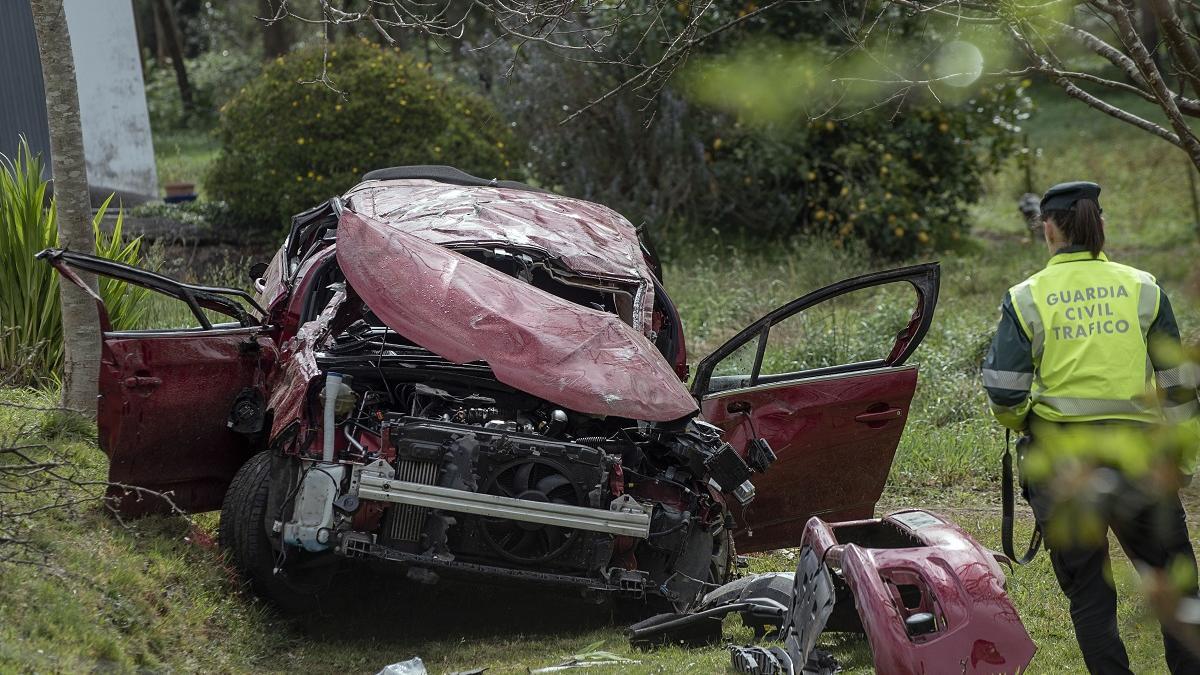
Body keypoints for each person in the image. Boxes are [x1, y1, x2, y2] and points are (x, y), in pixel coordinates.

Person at [982, 181, 1200, 674]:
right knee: (1177, 587)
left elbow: (1004, 390)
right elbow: (1179, 387)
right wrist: (1182, 460)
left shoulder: (1026, 296)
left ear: (1049, 229)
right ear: (1099, 225)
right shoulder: (1143, 287)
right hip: (1139, 458)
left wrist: (1026, 423)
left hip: (1062, 464)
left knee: (1089, 593)